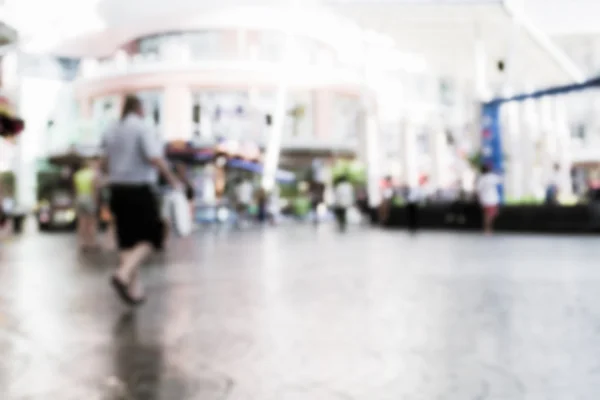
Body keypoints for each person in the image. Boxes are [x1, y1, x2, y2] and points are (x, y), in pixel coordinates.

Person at [102, 95, 180, 305]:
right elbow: (154, 157)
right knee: (154, 236)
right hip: (139, 189)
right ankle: (123, 274)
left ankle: (134, 289)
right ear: (138, 108)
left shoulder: (111, 128)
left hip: (117, 189)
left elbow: (104, 160)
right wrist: (172, 180)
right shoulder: (141, 128)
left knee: (127, 240)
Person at [73, 159, 100, 250]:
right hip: (89, 198)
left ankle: (82, 243)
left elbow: (75, 189)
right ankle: (92, 243)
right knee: (92, 222)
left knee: (81, 222)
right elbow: (94, 189)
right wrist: (95, 201)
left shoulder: (77, 175)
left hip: (79, 198)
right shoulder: (93, 174)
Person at [476, 165, 501, 235]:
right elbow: (500, 180)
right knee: (489, 215)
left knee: (487, 215)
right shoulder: (493, 177)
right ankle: (488, 229)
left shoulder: (482, 178)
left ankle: (488, 228)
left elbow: (478, 190)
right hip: (492, 199)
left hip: (486, 199)